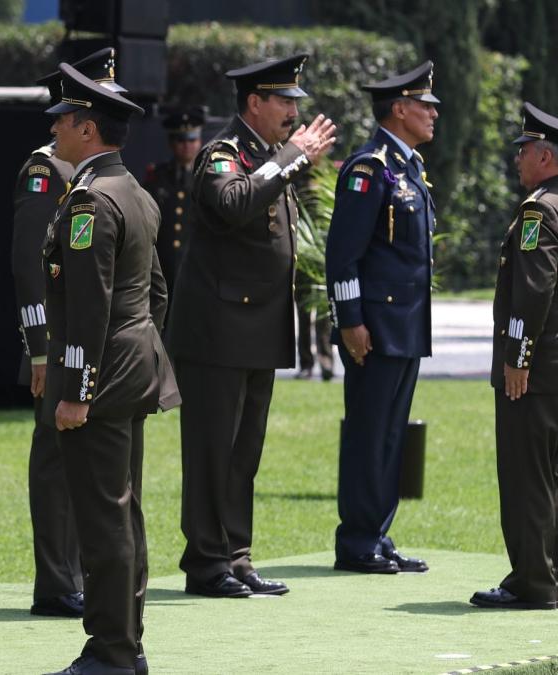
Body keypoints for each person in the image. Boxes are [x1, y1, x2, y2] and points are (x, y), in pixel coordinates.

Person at [167, 53, 336, 599]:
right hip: (216, 332)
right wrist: (291, 157)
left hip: (257, 329)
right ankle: (205, 561)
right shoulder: (223, 153)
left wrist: (287, 159)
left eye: (295, 103)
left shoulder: (266, 155)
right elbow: (233, 203)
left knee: (244, 453)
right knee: (212, 450)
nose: (293, 112)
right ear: (255, 102)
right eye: (284, 101)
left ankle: (235, 556)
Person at [40, 61, 178, 675]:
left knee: (102, 518)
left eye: (64, 121)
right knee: (123, 510)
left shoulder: (91, 199)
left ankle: (112, 651)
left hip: (100, 377)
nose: (56, 133)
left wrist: (77, 389)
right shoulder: (135, 192)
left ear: (88, 129)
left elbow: (88, 308)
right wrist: (139, 351)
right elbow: (157, 295)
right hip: (133, 366)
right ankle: (127, 644)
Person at [471, 102, 558, 610]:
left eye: (523, 150)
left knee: (526, 477)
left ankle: (532, 583)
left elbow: (533, 293)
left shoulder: (539, 211)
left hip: (537, 369)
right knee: (547, 476)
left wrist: (517, 358)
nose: (517, 159)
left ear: (545, 155)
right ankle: (542, 577)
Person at [12, 47, 122, 620]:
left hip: (92, 345)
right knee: (56, 462)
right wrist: (37, 348)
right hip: (57, 344)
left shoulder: (93, 174)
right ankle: (56, 580)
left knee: (91, 464)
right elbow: (30, 265)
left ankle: (79, 573)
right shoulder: (46, 169)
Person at [325, 61, 439, 575]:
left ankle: (377, 530)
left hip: (405, 326)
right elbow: (342, 255)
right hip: (373, 327)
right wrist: (350, 320)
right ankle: (356, 539)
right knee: (369, 431)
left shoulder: (408, 167)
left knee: (392, 432)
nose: (434, 113)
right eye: (425, 105)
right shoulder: (369, 168)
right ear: (399, 109)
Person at [143, 105, 206, 297]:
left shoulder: (207, 178)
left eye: (192, 139)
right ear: (171, 143)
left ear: (200, 141)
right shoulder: (156, 177)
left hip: (197, 272)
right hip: (162, 271)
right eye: (180, 140)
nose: (187, 145)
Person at [294, 268, 334, 380]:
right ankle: (306, 365)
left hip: (322, 268)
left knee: (324, 320)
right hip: (303, 270)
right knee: (303, 320)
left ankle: (326, 362)